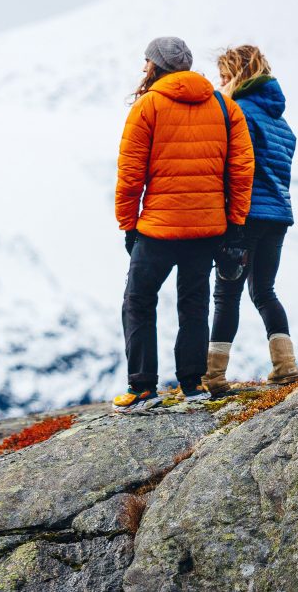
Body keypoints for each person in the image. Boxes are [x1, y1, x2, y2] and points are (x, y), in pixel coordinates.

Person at [113, 37, 254, 411]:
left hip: (158, 230)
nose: (143, 68)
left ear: (157, 66)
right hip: (208, 228)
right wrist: (235, 222)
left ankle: (143, 388)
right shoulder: (224, 105)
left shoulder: (148, 106)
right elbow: (241, 170)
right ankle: (192, 385)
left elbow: (130, 176)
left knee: (138, 302)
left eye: (146, 61)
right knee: (194, 304)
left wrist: (129, 225)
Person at [202, 45, 298, 396]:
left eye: (225, 76)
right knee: (264, 290)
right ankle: (286, 366)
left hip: (245, 216)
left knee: (226, 294)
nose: (220, 82)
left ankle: (213, 376)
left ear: (238, 75)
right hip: (278, 216)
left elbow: (231, 164)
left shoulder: (238, 111)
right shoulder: (281, 122)